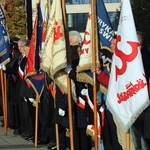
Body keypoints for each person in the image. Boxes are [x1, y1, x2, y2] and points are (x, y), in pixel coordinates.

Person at [91, 35, 135, 150]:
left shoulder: (126, 61)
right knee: (121, 139)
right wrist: (100, 73)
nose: (110, 46)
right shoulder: (115, 60)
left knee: (128, 140)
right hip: (116, 105)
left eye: (113, 44)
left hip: (125, 106)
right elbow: (112, 83)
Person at [130, 31, 150, 150]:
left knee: (144, 143)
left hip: (144, 107)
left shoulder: (145, 57)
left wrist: (142, 106)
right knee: (137, 142)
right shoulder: (134, 58)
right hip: (134, 105)